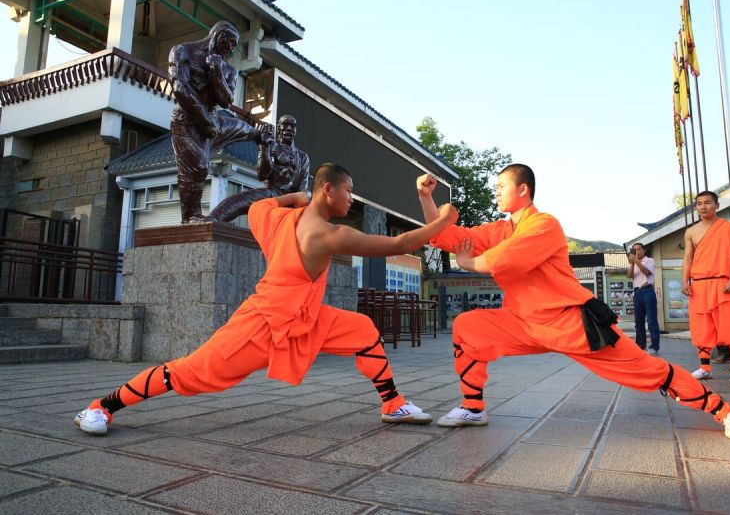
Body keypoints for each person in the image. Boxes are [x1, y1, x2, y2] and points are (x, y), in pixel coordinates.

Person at [73, 164, 458, 435]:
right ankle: (102, 407)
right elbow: (400, 243)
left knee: (361, 329)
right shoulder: (327, 234)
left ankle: (393, 403)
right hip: (263, 323)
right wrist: (442, 220)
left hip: (305, 317)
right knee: (192, 372)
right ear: (329, 189)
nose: (351, 198)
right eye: (348, 190)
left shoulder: (276, 218)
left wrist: (291, 195)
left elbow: (260, 206)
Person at [416, 166, 730, 440]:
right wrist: (426, 197)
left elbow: (503, 260)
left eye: (501, 184)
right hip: (523, 323)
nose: (496, 190)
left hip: (573, 323)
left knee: (648, 370)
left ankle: (725, 411)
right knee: (467, 327)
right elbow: (447, 236)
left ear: (523, 190)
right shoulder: (499, 229)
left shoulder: (544, 224)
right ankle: (473, 408)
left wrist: (468, 263)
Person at [169, 21, 272, 223]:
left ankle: (260, 136)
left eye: (233, 47)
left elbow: (226, 100)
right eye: (229, 44)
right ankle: (190, 216)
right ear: (219, 37)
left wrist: (216, 70)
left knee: (241, 127)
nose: (230, 50)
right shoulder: (182, 51)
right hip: (187, 120)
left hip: (213, 119)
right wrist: (205, 120)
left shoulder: (228, 69)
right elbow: (180, 88)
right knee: (198, 165)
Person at [682, 191, 730, 384]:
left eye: (707, 203)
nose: (703, 206)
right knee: (701, 327)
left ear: (717, 205)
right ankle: (705, 367)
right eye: (699, 203)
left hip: (723, 282)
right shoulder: (691, 231)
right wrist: (685, 281)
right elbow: (688, 258)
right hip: (699, 284)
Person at [209, 114, 311, 223]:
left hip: (291, 200)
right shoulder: (271, 145)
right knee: (237, 201)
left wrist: (295, 211)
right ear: (278, 128)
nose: (289, 128)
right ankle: (212, 220)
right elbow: (262, 175)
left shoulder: (302, 157)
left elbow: (302, 191)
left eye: (292, 126)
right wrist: (264, 146)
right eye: (285, 125)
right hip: (271, 194)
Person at [627, 243, 661, 355]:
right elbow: (629, 276)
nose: (637, 252)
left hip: (647, 291)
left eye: (639, 249)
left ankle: (654, 347)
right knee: (638, 322)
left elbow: (646, 272)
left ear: (644, 250)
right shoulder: (634, 263)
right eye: (635, 250)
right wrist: (632, 264)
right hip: (637, 293)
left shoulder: (649, 260)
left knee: (651, 320)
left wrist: (636, 261)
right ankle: (640, 346)